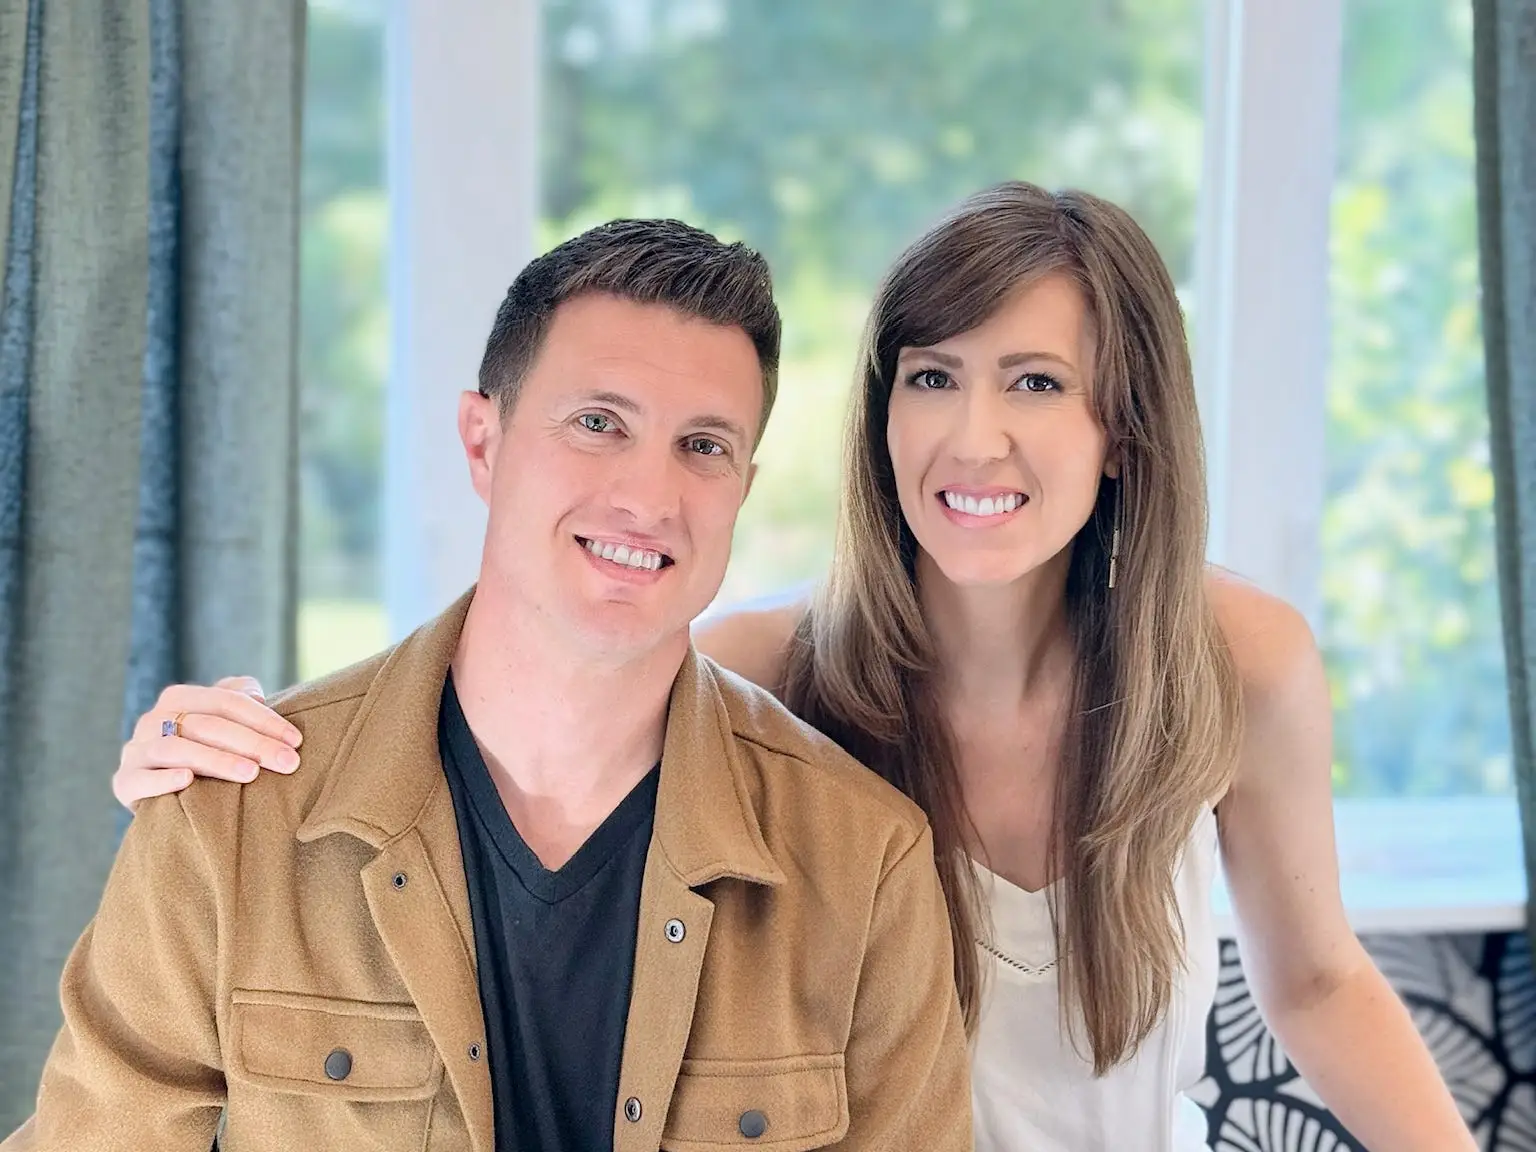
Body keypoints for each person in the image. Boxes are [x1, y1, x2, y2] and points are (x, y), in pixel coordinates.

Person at [114, 184, 1476, 1151]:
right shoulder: (762, 669)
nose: (973, 438)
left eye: (1037, 384)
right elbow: (532, 670)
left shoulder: (1239, 661)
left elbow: (1317, 984)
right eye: (931, 378)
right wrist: (245, 737)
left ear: (1126, 429)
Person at [6, 220, 974, 1151]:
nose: (649, 496)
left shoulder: (866, 862)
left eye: (704, 446)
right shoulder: (230, 823)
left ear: (742, 489)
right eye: (599, 423)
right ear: (483, 440)